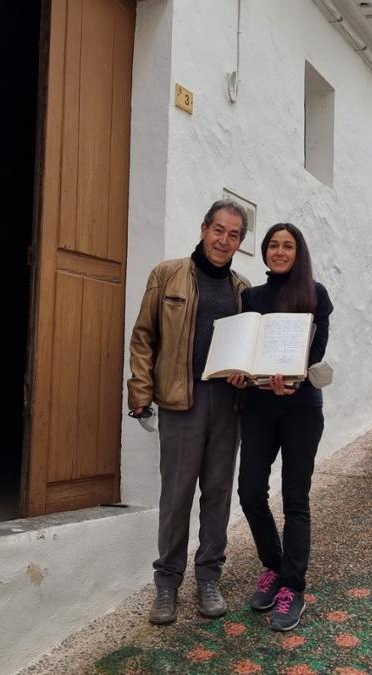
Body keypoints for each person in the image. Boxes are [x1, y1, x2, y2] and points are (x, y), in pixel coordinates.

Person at [127, 200, 252, 625]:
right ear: (203, 229)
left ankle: (209, 577)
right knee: (176, 496)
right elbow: (144, 336)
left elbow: (247, 350)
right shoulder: (168, 274)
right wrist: (140, 393)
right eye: (218, 230)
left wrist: (245, 375)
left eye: (234, 234)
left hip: (227, 405)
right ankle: (166, 585)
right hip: (182, 401)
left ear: (240, 242)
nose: (224, 240)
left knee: (217, 496)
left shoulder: (242, 289)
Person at [230, 222, 333, 632]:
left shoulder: (315, 294)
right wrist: (238, 372)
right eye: (272, 245)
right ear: (266, 251)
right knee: (250, 490)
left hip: (300, 407)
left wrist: (294, 375)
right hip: (257, 406)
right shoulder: (251, 297)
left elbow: (316, 350)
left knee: (295, 497)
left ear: (298, 252)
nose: (279, 251)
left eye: (287, 246)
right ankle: (273, 566)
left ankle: (293, 586)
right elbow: (245, 348)